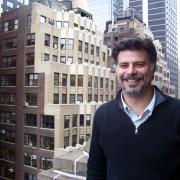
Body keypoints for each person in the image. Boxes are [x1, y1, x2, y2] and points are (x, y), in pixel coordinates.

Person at [87, 37, 180, 180]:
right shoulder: (103, 115)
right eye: (124, 65)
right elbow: (96, 171)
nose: (131, 71)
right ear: (116, 69)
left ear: (152, 68)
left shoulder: (177, 112)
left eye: (139, 64)